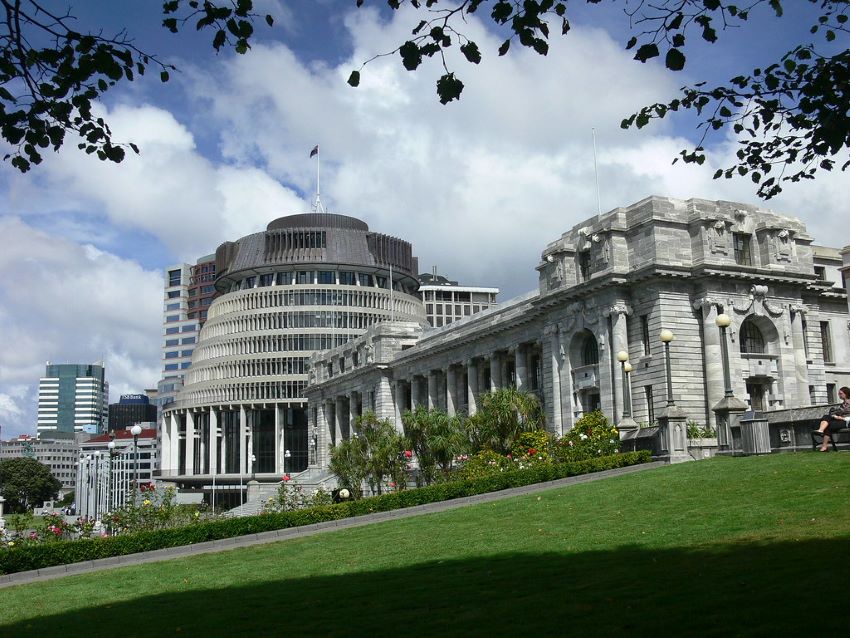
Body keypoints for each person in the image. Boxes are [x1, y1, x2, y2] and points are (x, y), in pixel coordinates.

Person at [813, 386, 850, 451]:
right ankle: (821, 431)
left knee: (828, 425)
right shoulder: (843, 404)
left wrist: (842, 418)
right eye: (839, 394)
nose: (839, 395)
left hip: (847, 422)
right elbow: (837, 412)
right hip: (840, 420)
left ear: (846, 393)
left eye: (841, 393)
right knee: (827, 417)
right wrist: (835, 416)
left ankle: (824, 445)